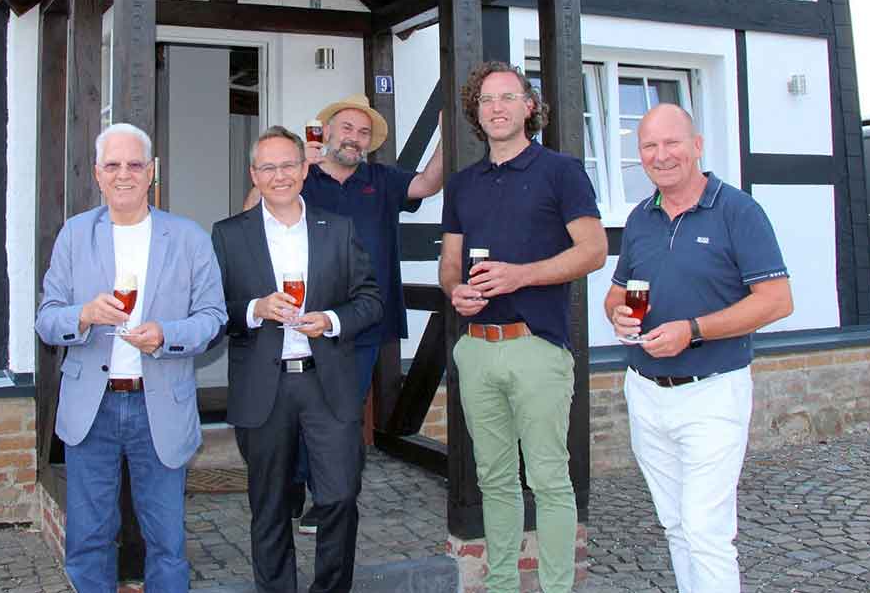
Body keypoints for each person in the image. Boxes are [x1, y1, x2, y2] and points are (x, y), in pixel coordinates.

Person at [604, 104, 792, 593]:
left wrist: (694, 330)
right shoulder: (639, 217)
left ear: (697, 146)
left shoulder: (738, 211)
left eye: (672, 143)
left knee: (705, 530)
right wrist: (619, 311)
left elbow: (776, 301)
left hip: (712, 392)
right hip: (645, 391)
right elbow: (618, 290)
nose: (661, 156)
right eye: (649, 146)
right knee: (675, 525)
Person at [35, 123, 226, 593]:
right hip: (91, 408)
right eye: (113, 165)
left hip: (159, 404)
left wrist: (166, 335)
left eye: (134, 165)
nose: (124, 174)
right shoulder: (76, 234)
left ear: (151, 173)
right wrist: (82, 315)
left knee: (166, 541)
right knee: (88, 538)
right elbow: (46, 319)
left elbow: (213, 318)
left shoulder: (188, 237)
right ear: (98, 174)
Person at [439, 62, 606, 593]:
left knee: (550, 481)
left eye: (508, 97)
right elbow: (450, 262)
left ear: (529, 106)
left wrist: (520, 277)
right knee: (494, 481)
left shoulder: (561, 171)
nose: (497, 108)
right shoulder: (463, 184)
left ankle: (558, 587)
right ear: (477, 112)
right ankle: (503, 585)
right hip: (478, 350)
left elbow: (595, 251)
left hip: (536, 346)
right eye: (487, 100)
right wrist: (455, 291)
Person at [245, 94, 444, 531]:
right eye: (347, 128)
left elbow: (429, 183)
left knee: (341, 414)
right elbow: (247, 222)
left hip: (361, 322)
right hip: (302, 320)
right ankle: (294, 483)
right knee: (294, 411)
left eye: (364, 133)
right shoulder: (301, 177)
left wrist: (450, 129)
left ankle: (327, 498)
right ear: (326, 131)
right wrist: (299, 165)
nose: (355, 138)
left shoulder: (382, 179)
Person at [213, 126, 382, 593]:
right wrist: (254, 310)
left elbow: (370, 300)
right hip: (263, 388)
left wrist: (329, 319)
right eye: (268, 167)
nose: (280, 175)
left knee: (340, 497)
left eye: (288, 164)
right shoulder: (228, 235)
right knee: (268, 505)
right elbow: (210, 314)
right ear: (254, 174)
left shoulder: (338, 228)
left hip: (325, 380)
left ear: (305, 170)